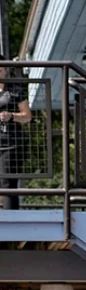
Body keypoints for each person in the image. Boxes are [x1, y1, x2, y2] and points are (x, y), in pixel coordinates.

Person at [0, 66, 31, 211]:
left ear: (5, 70)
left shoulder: (15, 90)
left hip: (11, 144)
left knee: (7, 182)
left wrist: (11, 116)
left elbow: (27, 116)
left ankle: (10, 218)